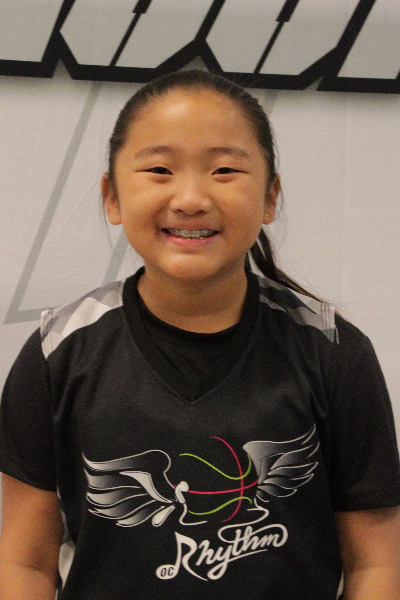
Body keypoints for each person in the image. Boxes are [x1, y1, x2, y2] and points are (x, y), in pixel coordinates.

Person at [0, 69, 400, 600]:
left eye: (224, 170)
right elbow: (24, 565)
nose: (190, 198)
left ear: (270, 196)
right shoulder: (58, 352)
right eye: (160, 169)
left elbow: (376, 563)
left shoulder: (332, 351)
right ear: (112, 197)